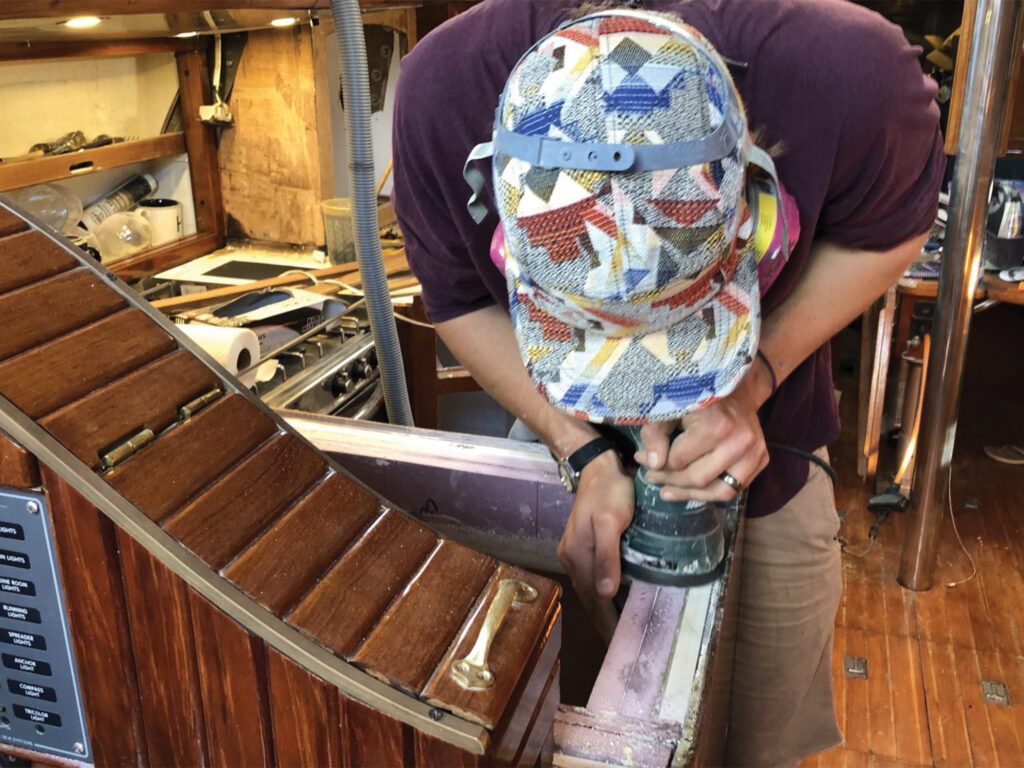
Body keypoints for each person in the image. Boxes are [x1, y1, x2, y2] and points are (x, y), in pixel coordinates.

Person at [391, 1, 945, 764]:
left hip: (774, 449)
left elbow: (892, 233)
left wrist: (752, 383)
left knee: (762, 732)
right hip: (553, 427)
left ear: (755, 184)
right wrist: (578, 449)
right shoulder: (441, 93)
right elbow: (454, 300)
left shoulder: (846, 74)